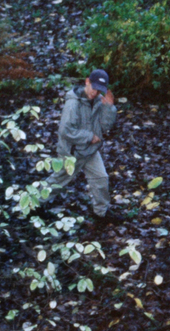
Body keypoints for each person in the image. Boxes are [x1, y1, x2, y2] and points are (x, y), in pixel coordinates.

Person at [47, 68, 117, 220]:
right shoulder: (73, 103)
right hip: (72, 152)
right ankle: (32, 204)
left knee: (101, 178)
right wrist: (89, 137)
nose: (95, 93)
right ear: (87, 82)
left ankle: (101, 213)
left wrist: (109, 108)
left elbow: (105, 126)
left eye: (99, 90)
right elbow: (65, 130)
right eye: (93, 88)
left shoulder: (98, 101)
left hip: (90, 151)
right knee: (58, 181)